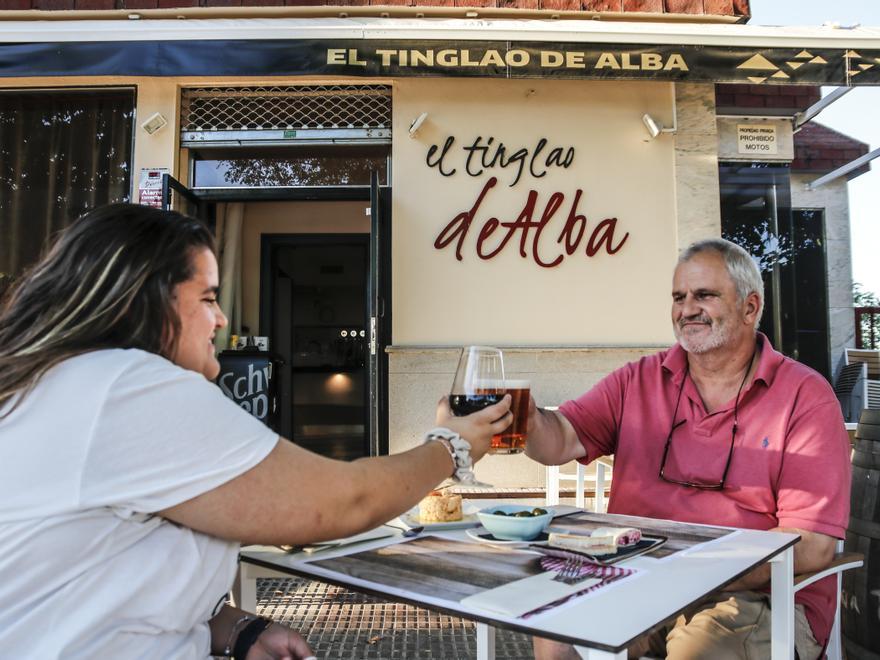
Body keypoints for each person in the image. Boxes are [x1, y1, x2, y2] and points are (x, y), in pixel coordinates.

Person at [0, 203, 512, 659]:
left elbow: (85, 576)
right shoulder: (125, 388)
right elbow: (341, 502)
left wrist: (233, 627)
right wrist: (452, 445)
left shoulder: (60, 383)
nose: (221, 319)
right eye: (206, 297)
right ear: (144, 301)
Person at [526, 238, 850, 660]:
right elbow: (560, 439)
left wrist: (696, 572)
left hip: (759, 595)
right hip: (641, 581)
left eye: (704, 295)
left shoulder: (805, 397)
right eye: (679, 297)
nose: (686, 309)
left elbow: (811, 544)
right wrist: (525, 419)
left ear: (750, 308)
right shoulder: (637, 380)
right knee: (555, 624)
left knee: (699, 651)